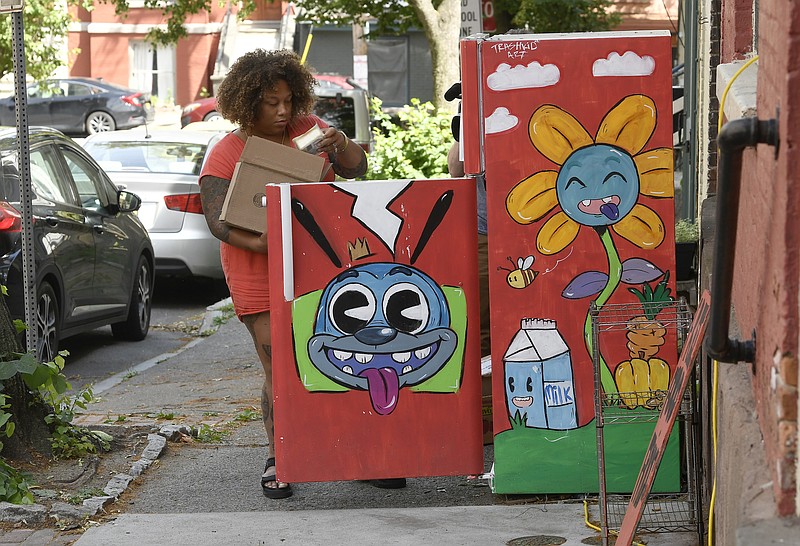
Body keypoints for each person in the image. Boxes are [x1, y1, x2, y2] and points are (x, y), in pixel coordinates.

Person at [198, 49, 368, 499]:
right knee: (279, 367)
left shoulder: (308, 133)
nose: (284, 111)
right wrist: (264, 242)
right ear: (246, 101)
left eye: (289, 100)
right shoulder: (226, 152)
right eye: (271, 102)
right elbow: (218, 221)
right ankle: (281, 456)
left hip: (320, 265)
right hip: (258, 271)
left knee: (343, 356)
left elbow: (358, 169)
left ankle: (357, 454)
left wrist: (342, 143)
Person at [447, 142, 491, 358]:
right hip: (485, 231)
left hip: (529, 230)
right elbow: (455, 170)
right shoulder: (473, 110)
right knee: (478, 322)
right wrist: (466, 123)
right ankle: (484, 390)